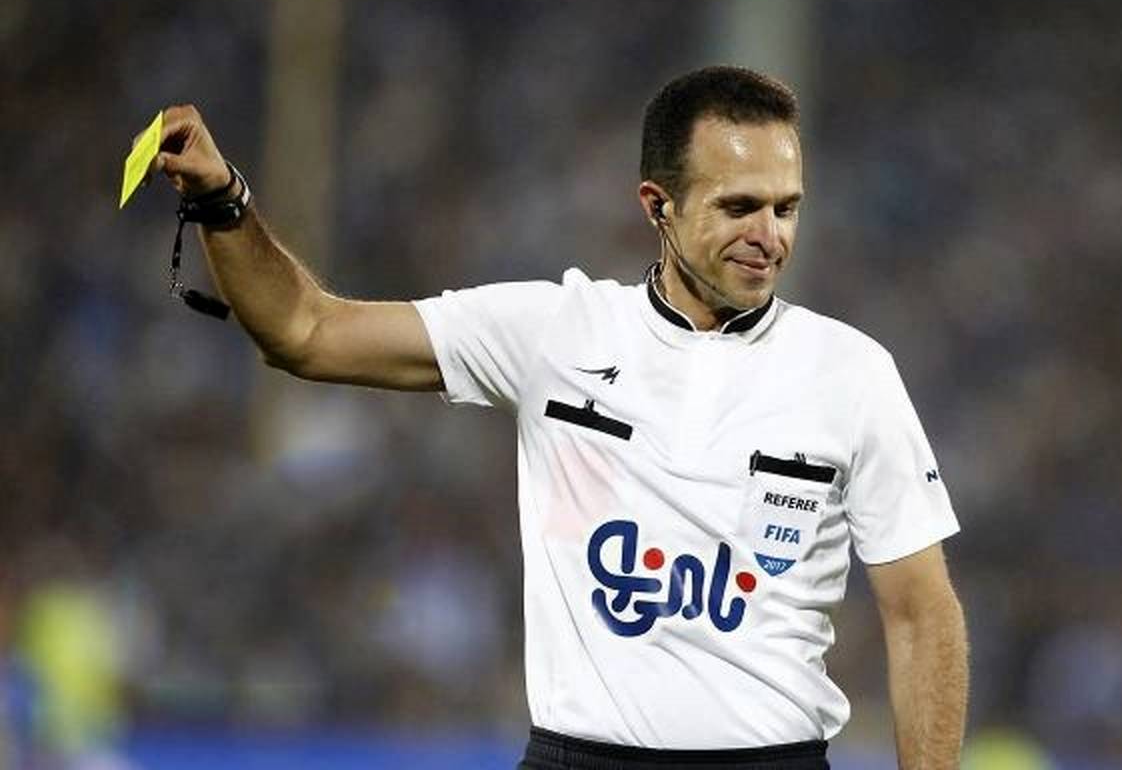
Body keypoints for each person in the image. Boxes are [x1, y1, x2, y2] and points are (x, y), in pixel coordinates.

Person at [146, 66, 968, 769]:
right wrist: (222, 200)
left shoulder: (852, 373)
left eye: (786, 209)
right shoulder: (555, 332)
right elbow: (305, 332)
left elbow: (922, 613)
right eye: (738, 206)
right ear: (658, 205)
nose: (769, 236)